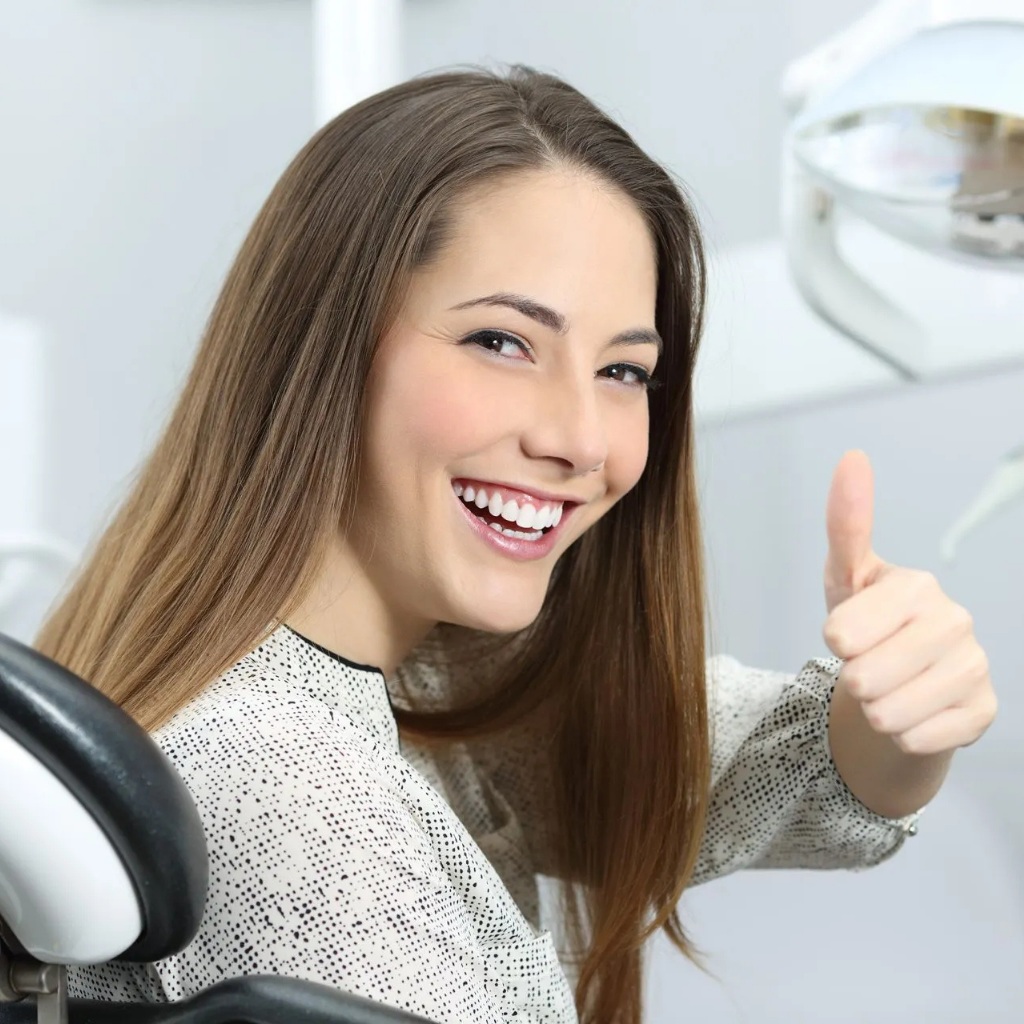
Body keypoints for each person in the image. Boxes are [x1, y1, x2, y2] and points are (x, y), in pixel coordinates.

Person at [39, 66, 996, 1024]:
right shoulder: (291, 788)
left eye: (624, 369)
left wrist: (895, 720)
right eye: (501, 342)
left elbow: (663, 757)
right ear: (324, 343)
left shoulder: (413, 683)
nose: (581, 438)